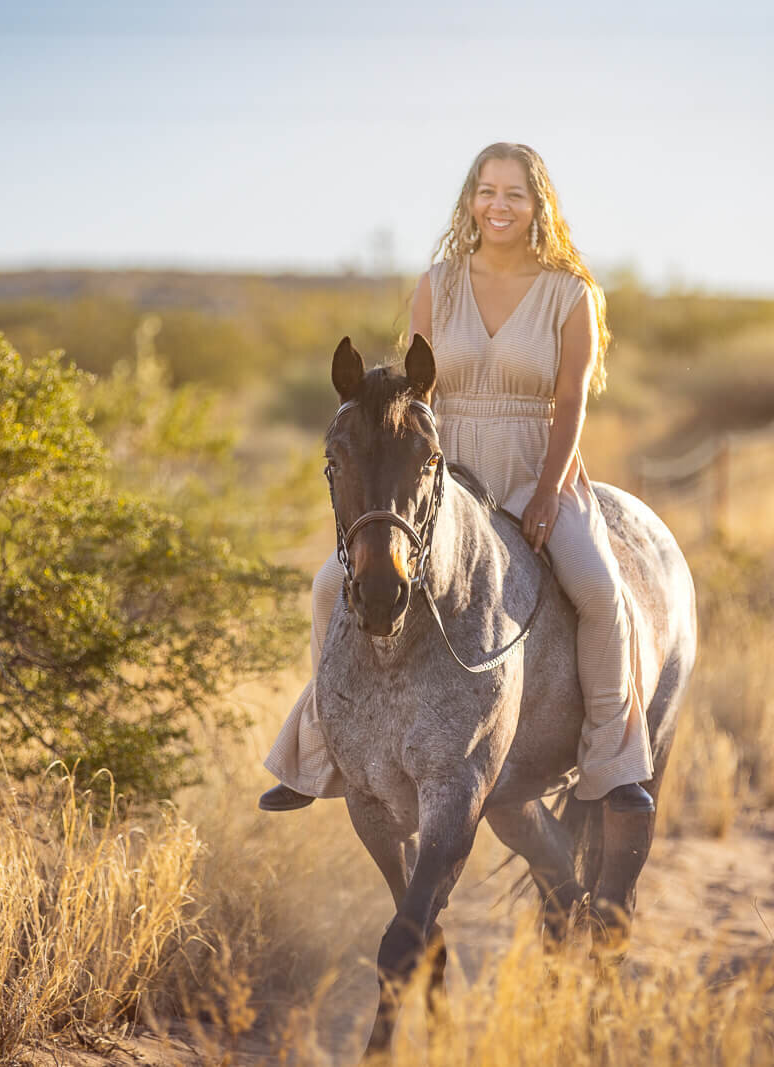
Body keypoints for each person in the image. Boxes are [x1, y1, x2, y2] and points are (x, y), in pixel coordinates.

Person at [259, 142, 653, 815]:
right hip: (447, 475)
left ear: (539, 205)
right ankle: (321, 747)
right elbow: (416, 400)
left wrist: (552, 492)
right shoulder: (437, 284)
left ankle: (612, 763)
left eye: (515, 194)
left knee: (598, 590)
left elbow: (573, 401)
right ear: (471, 200)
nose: (499, 206)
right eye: (487, 191)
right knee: (330, 585)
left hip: (536, 466)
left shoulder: (570, 293)